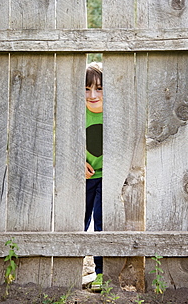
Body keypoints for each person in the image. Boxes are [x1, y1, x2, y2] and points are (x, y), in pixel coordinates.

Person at [85, 62, 103, 292]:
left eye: (99, 88)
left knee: (102, 222)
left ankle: (101, 272)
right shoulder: (80, 113)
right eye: (87, 89)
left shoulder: (114, 112)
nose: (92, 95)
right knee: (78, 221)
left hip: (108, 177)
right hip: (85, 177)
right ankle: (68, 268)